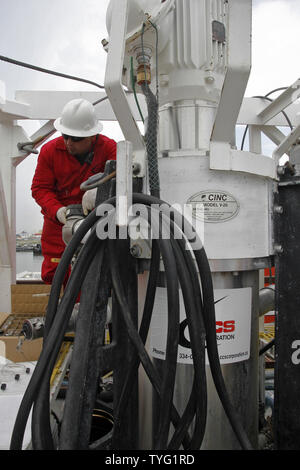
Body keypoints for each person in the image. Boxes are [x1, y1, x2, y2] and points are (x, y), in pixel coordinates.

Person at [31, 98, 117, 286]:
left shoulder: (110, 149)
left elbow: (125, 182)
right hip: (58, 225)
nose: (69, 143)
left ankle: (85, 312)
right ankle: (58, 310)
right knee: (56, 274)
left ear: (92, 136)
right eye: (65, 136)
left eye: (76, 139)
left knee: (93, 273)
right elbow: (40, 188)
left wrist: (102, 192)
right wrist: (58, 211)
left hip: (94, 222)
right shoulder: (50, 151)